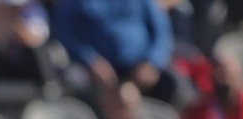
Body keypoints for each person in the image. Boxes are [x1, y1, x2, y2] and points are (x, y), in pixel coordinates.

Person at [52, 0, 183, 104]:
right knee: (74, 81)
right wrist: (90, 60)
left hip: (138, 68)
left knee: (175, 84)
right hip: (95, 70)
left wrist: (152, 62)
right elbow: (65, 34)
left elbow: (162, 32)